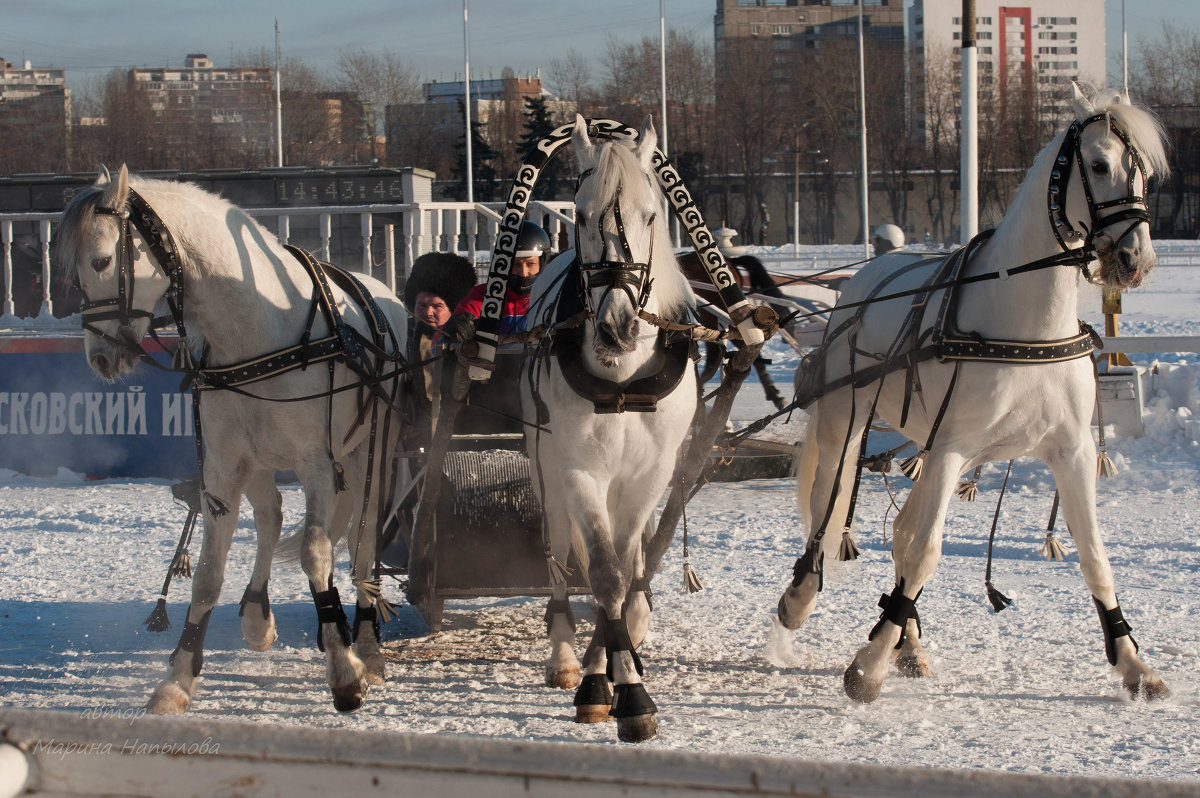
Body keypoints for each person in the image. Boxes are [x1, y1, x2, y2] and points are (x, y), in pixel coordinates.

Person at [442, 220, 551, 342]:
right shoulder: (484, 296)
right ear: (504, 264)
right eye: (516, 264)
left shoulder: (554, 294)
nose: (523, 272)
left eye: (530, 264)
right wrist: (455, 328)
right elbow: (439, 343)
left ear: (542, 263)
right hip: (494, 361)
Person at [403, 251, 478, 400]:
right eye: (422, 305)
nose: (428, 312)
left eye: (437, 306)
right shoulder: (401, 335)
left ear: (453, 308)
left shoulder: (470, 339)